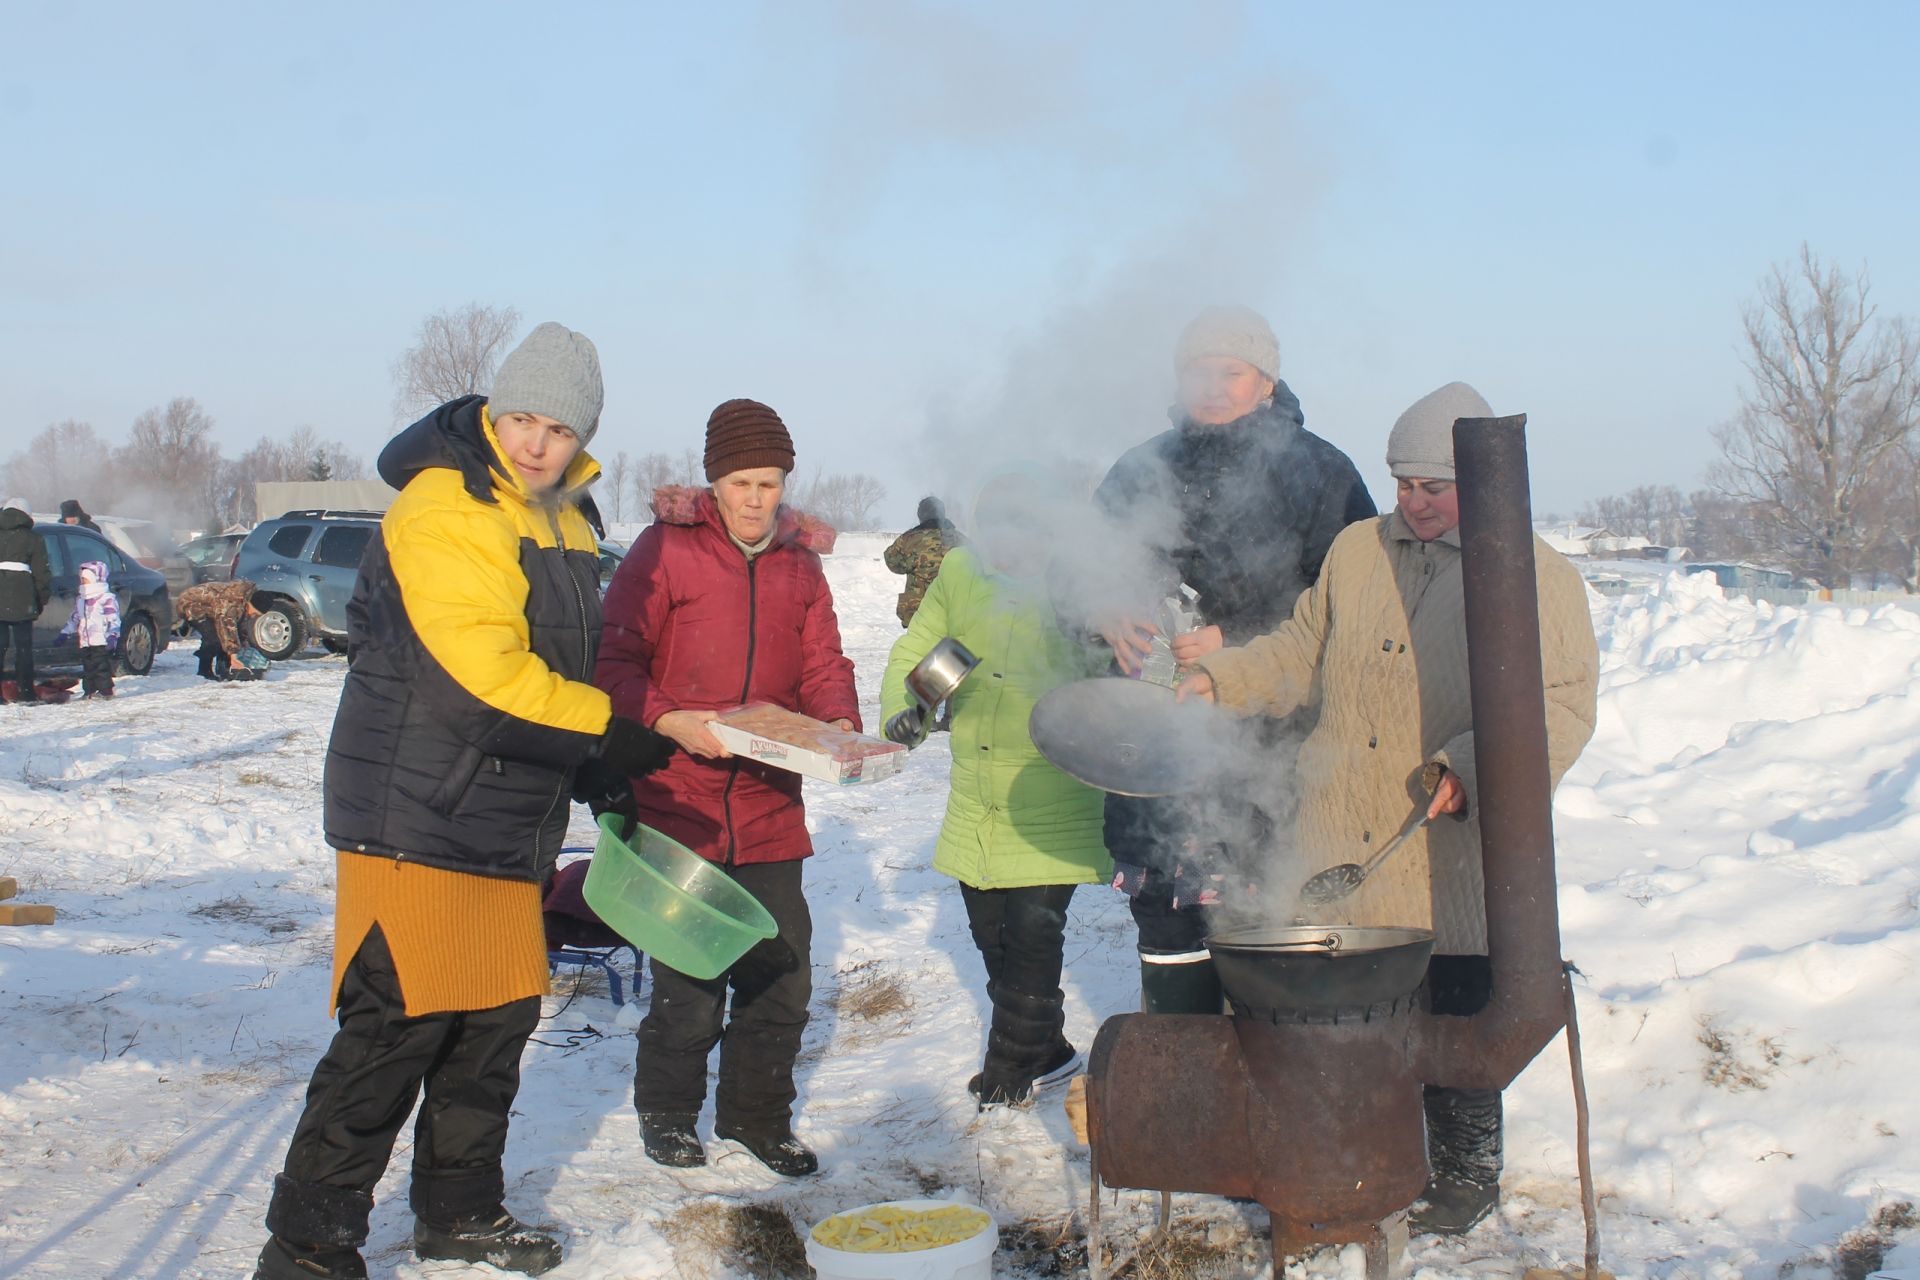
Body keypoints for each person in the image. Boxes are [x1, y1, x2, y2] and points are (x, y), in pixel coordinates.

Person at [252, 323, 676, 1280]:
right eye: (520, 417)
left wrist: (592, 767)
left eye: (558, 429)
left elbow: (555, 665)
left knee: (491, 1026)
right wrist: (607, 730)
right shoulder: (445, 504)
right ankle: (307, 1250)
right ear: (492, 411)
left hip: (506, 812)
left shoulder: (567, 515)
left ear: (583, 437)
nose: (534, 443)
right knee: (392, 1031)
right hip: (418, 811)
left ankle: (459, 1212)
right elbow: (480, 680)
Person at [1178, 382, 1600, 1236]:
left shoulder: (1534, 571)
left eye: (1433, 488)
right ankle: (1337, 1156)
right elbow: (1301, 652)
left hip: (1442, 839)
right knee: (1334, 1022)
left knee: (1454, 1012)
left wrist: (1472, 770)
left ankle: (1467, 1172)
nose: (1413, 503)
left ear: (1478, 486)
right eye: (1403, 484)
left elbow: (1562, 703)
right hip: (1339, 825)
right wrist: (1223, 680)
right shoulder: (1356, 551)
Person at [1071, 306, 1375, 1016]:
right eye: (1196, 370)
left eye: (1230, 372)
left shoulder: (1321, 472)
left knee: (1264, 924)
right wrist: (1103, 615)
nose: (1211, 385)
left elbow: (1352, 606)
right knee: (1170, 927)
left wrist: (1237, 640)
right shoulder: (1143, 467)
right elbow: (1079, 568)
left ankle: (1263, 1081)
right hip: (1153, 748)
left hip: (1269, 751)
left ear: (1266, 381)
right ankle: (1183, 1077)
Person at [597, 397, 858, 1177]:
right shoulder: (666, 551)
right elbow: (614, 663)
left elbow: (822, 665)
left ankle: (755, 1117)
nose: (755, 499)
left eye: (769, 483)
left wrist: (838, 724)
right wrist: (671, 720)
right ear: (715, 483)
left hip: (770, 804)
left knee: (782, 970)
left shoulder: (800, 564)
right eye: (741, 482)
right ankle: (670, 1113)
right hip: (680, 799)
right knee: (690, 972)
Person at [881, 470, 1110, 1109]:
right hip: (978, 789)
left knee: (1034, 932)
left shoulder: (1079, 587)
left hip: (1052, 792)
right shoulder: (961, 574)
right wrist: (909, 706)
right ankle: (1051, 1048)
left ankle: (1009, 1066)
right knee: (992, 931)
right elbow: (918, 649)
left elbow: (1127, 664)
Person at [884, 496, 965, 628]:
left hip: (919, 611)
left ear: (921, 515)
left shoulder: (909, 539)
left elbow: (892, 563)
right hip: (954, 610)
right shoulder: (960, 539)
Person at [0, 496, 50, 704]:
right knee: (24, 649)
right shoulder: (34, 539)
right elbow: (42, 575)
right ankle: (26, 692)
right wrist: (40, 600)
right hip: (23, 597)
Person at [174, 578, 260, 681]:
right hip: (190, 603)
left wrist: (244, 642)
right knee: (213, 638)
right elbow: (226, 627)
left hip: (211, 607)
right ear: (251, 605)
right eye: (254, 613)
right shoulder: (231, 602)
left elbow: (240, 627)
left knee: (225, 637)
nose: (253, 616)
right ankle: (204, 670)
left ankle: (224, 668)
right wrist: (233, 654)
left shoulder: (246, 600)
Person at [56, 560, 119, 698]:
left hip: (101, 640)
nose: (83, 583)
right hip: (85, 640)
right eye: (82, 580)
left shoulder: (106, 598)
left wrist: (113, 636)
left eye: (86, 580)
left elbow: (113, 618)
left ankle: (106, 690)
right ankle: (89, 690)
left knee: (101, 667)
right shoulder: (81, 599)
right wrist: (65, 633)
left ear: (95, 580)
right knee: (88, 667)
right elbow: (75, 618)